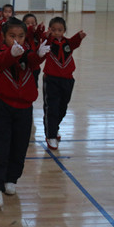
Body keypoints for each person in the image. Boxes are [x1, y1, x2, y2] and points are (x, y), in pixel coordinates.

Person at [0, 18, 50, 209]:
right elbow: (0, 64)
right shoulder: (0, 53)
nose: (17, 40)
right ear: (3, 37)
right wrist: (11, 54)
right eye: (12, 36)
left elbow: (32, 62)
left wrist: (39, 55)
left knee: (20, 146)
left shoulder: (28, 53)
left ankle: (11, 179)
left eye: (21, 36)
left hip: (24, 109)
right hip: (2, 106)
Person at [42, 17, 86, 150]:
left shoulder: (68, 43)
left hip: (67, 80)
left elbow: (74, 42)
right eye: (54, 30)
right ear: (50, 30)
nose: (57, 32)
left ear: (64, 31)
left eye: (60, 30)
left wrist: (79, 36)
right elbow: (44, 41)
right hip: (51, 80)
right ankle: (51, 135)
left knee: (62, 108)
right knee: (52, 108)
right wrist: (47, 35)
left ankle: (54, 128)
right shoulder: (49, 42)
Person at [22, 13, 45, 87]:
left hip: (35, 67)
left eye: (32, 23)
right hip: (25, 67)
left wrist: (40, 28)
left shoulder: (36, 36)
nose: (30, 25)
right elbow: (29, 34)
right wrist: (31, 28)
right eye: (27, 23)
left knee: (34, 86)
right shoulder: (22, 35)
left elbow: (39, 34)